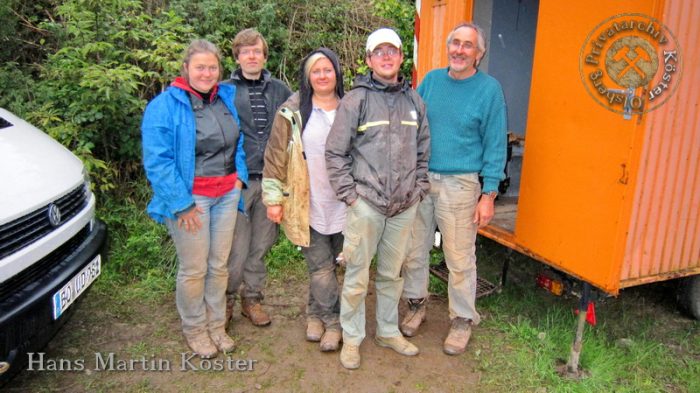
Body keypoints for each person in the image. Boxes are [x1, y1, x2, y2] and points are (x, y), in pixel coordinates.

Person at [325, 28, 431, 369]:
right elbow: (335, 153)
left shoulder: (414, 101)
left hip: (403, 207)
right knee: (357, 274)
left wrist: (418, 191)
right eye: (379, 52)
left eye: (393, 51)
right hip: (366, 205)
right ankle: (352, 338)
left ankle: (387, 331)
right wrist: (351, 197)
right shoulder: (355, 100)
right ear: (369, 60)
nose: (387, 57)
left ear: (401, 58)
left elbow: (424, 151)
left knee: (391, 274)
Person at [400, 22, 507, 355]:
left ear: (480, 53)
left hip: (462, 184)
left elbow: (495, 144)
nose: (460, 50)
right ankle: (417, 305)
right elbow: (411, 128)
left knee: (459, 258)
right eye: (455, 43)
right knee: (414, 250)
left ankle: (462, 319)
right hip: (422, 179)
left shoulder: (489, 90)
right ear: (449, 47)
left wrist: (488, 194)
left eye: (468, 45)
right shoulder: (431, 81)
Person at [142, 39, 248, 359]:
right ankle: (195, 329)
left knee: (218, 266)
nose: (206, 73)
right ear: (186, 68)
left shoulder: (225, 97)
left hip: (227, 194)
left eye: (212, 67)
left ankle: (216, 326)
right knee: (194, 269)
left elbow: (238, 140)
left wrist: (239, 177)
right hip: (192, 200)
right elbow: (158, 161)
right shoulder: (164, 106)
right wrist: (181, 204)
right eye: (200, 67)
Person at [262, 48, 346, 352]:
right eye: (316, 70)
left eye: (328, 69)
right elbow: (274, 157)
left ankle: (314, 314)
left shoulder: (350, 107)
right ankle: (333, 324)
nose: (322, 76)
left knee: (332, 264)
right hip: (306, 203)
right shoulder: (292, 111)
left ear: (337, 73)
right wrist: (273, 199)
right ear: (307, 76)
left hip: (345, 203)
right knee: (321, 267)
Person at [223, 28, 292, 327]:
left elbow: (297, 126)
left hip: (272, 181)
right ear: (237, 56)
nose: (252, 56)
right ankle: (225, 300)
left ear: (265, 56)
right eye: (245, 51)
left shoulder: (280, 90)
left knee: (261, 244)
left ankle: (252, 300)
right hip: (237, 181)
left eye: (257, 51)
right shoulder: (224, 89)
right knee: (235, 247)